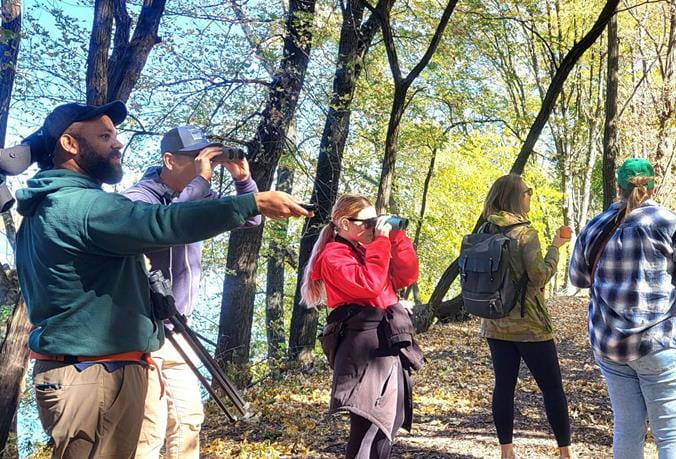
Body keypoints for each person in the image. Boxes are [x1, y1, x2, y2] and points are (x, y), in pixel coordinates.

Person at [16, 101, 311, 458]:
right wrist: (252, 203)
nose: (118, 143)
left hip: (101, 367)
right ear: (70, 144)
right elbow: (164, 223)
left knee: (182, 425)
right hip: (92, 374)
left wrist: (245, 186)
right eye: (105, 135)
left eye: (116, 135)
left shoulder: (60, 204)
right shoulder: (79, 206)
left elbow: (191, 218)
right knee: (149, 440)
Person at [121, 125, 261, 458]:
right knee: (148, 431)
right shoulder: (137, 198)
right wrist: (201, 182)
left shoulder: (198, 194)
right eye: (196, 158)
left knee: (188, 421)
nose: (204, 165)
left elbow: (251, 221)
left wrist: (243, 179)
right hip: (144, 334)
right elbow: (167, 226)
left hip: (180, 331)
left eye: (207, 157)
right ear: (169, 160)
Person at [568, 158, 676, 459]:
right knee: (672, 435)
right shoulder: (669, 223)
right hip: (663, 343)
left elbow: (577, 278)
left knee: (626, 429)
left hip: (611, 346)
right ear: (653, 186)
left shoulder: (594, 226)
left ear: (618, 187)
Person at [300, 193, 422, 459]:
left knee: (391, 420)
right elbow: (369, 284)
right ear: (344, 223)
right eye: (366, 223)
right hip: (363, 345)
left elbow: (407, 275)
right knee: (369, 424)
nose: (372, 227)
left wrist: (396, 239)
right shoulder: (333, 255)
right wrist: (380, 242)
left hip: (386, 340)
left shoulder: (365, 247)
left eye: (374, 222)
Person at [478, 174, 573, 459]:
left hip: (495, 322)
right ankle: (565, 453)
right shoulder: (525, 234)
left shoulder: (484, 229)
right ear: (517, 197)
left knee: (504, 387)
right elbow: (539, 277)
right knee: (552, 388)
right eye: (527, 192)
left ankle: (507, 452)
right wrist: (556, 247)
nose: (530, 196)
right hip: (530, 325)